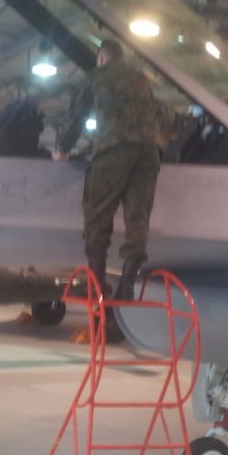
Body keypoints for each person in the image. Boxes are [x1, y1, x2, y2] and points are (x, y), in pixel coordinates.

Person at [55, 39, 164, 300]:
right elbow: (160, 113)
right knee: (138, 217)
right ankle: (127, 286)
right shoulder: (142, 79)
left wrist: (63, 149)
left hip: (114, 149)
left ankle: (96, 284)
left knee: (97, 215)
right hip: (149, 153)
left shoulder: (96, 77)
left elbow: (78, 117)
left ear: (102, 58)